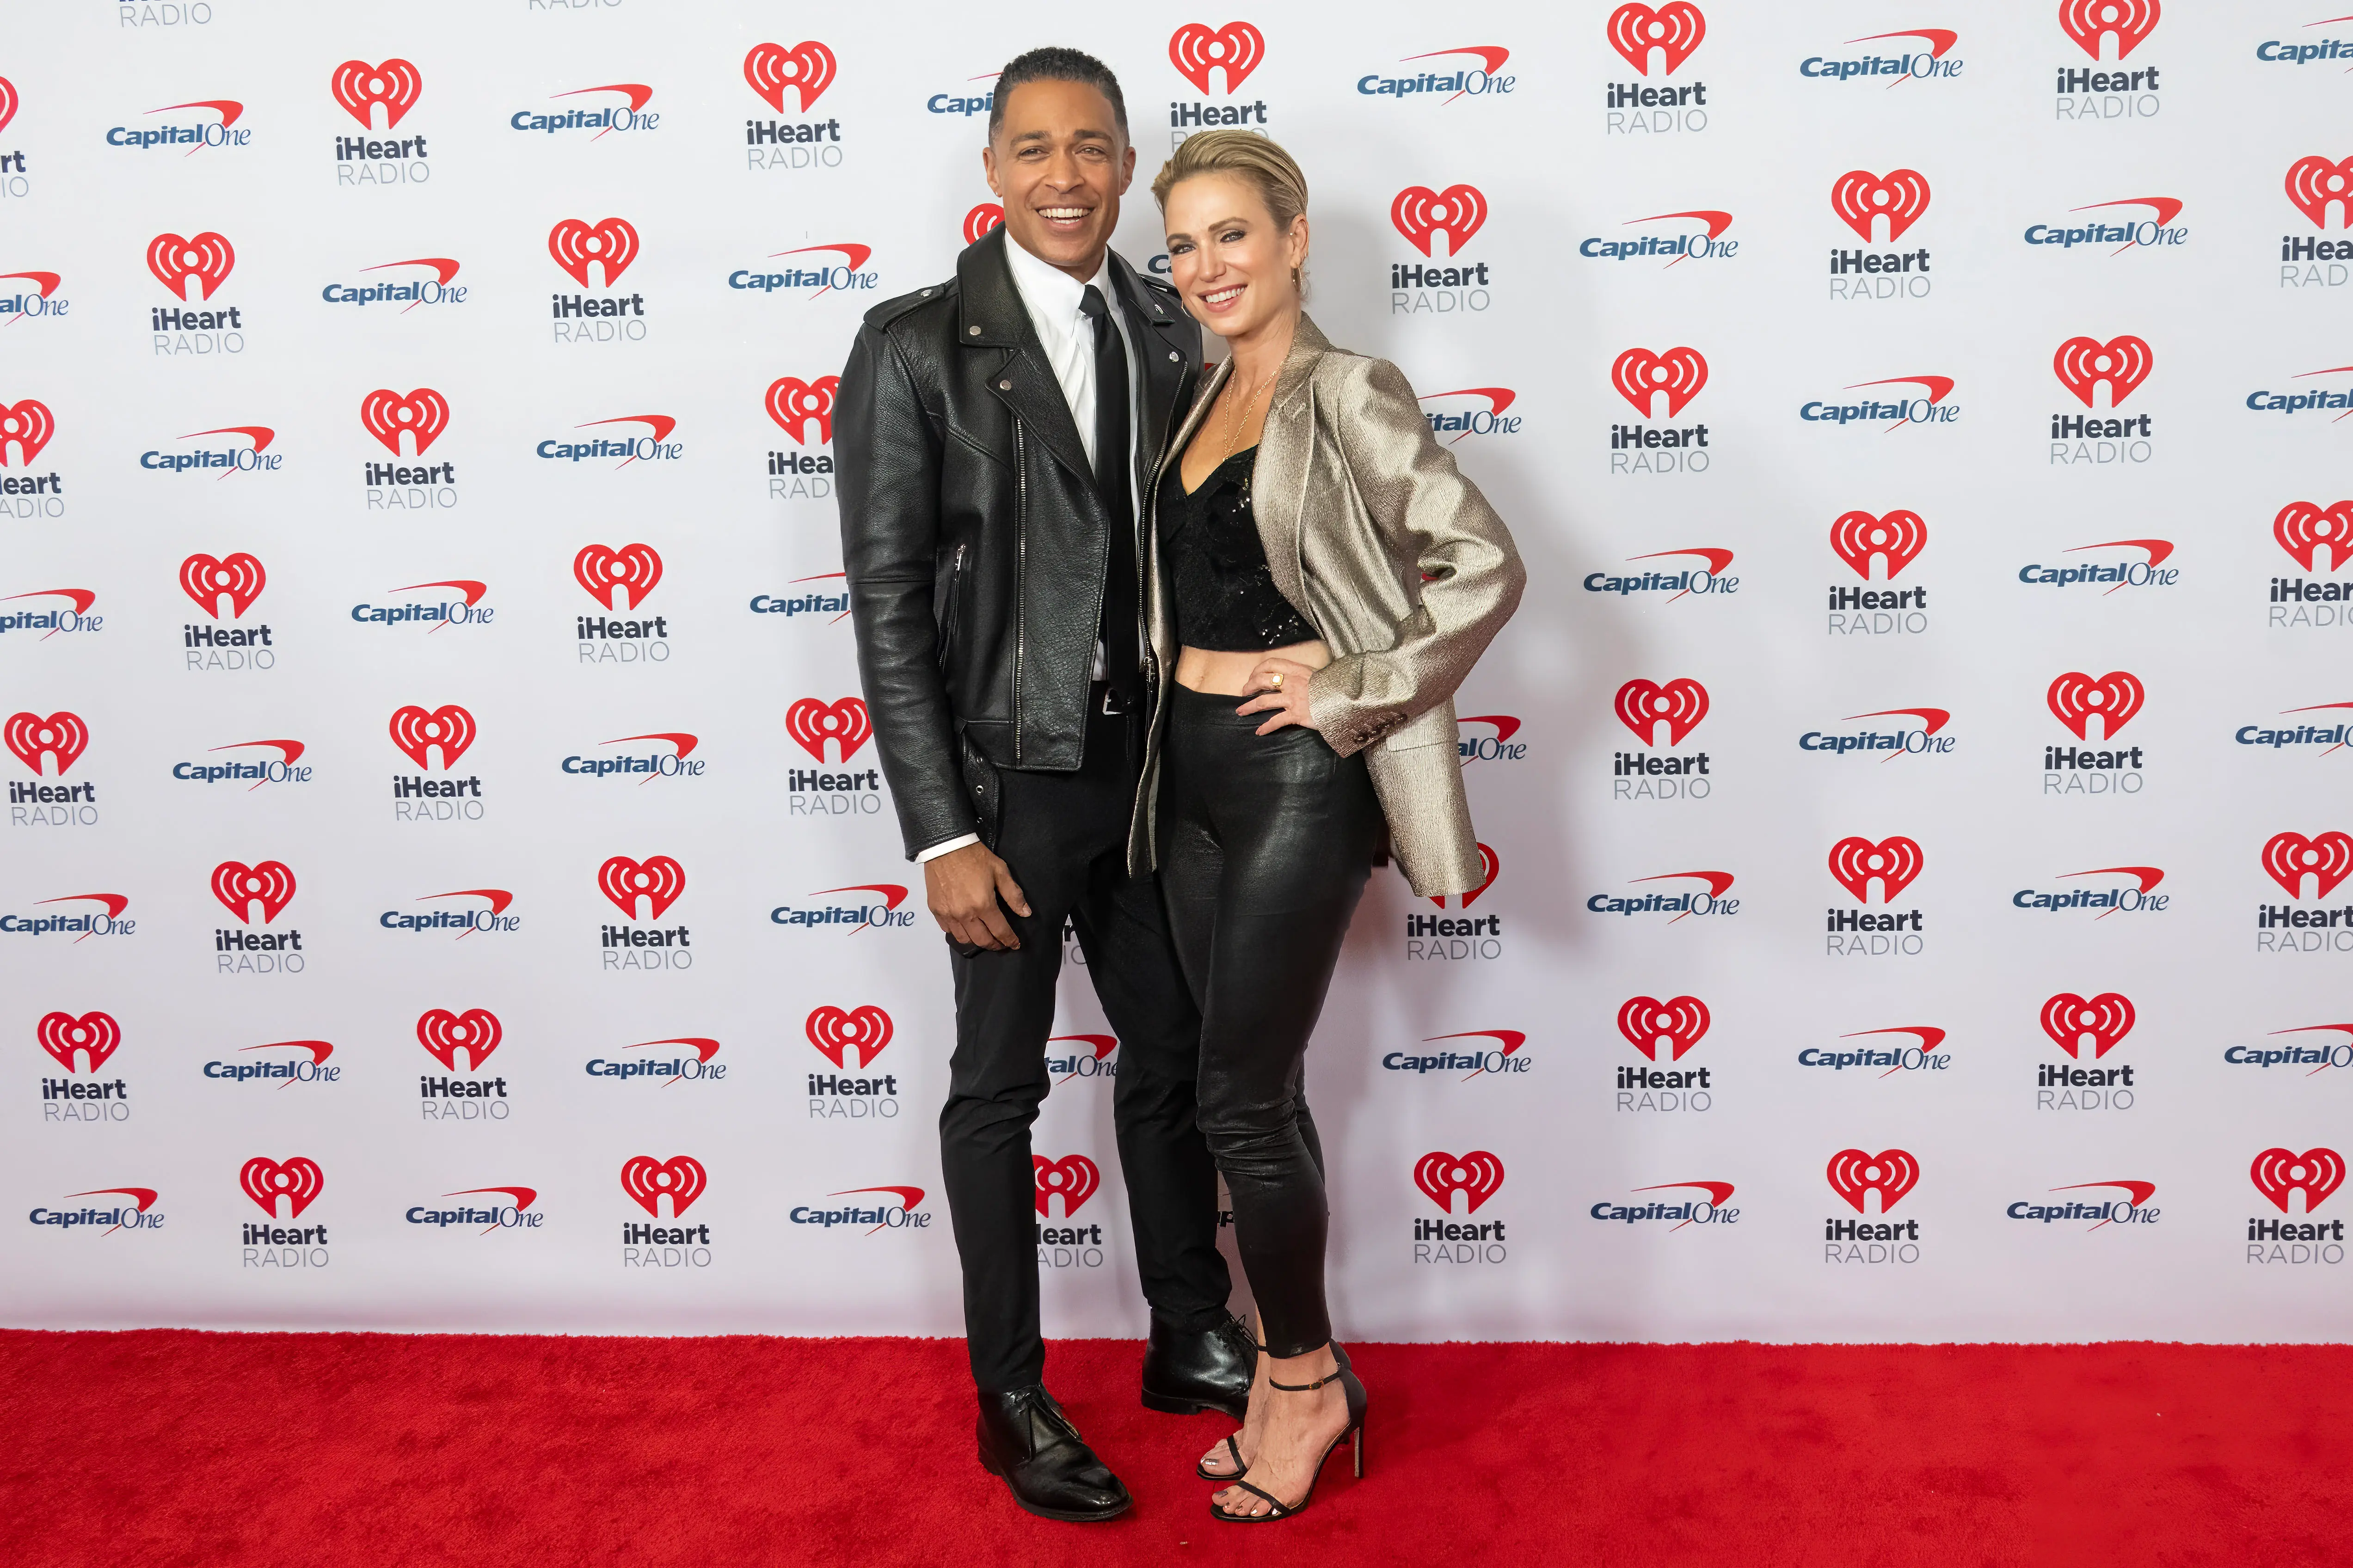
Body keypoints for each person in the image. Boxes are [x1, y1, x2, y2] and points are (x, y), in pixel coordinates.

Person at [835, 49, 1258, 1524]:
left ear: (1130, 164)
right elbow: (887, 604)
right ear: (992, 172)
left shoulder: (1170, 315)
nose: (1065, 176)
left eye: (1092, 147)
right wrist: (940, 829)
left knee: (1177, 1056)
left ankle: (1187, 1330)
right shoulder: (912, 346)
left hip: (1152, 775)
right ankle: (1009, 1399)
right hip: (1007, 788)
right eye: (1034, 149)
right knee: (996, 1092)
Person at [1135, 130, 1525, 1522]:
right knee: (1226, 1086)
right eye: (1181, 244)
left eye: (1232, 234)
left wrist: (1352, 683)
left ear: (1297, 240)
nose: (1205, 266)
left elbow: (1482, 562)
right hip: (1182, 773)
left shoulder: (1346, 391)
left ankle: (1299, 1380)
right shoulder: (1188, 399)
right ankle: (1295, 1367)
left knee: (1243, 1098)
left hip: (1297, 772)